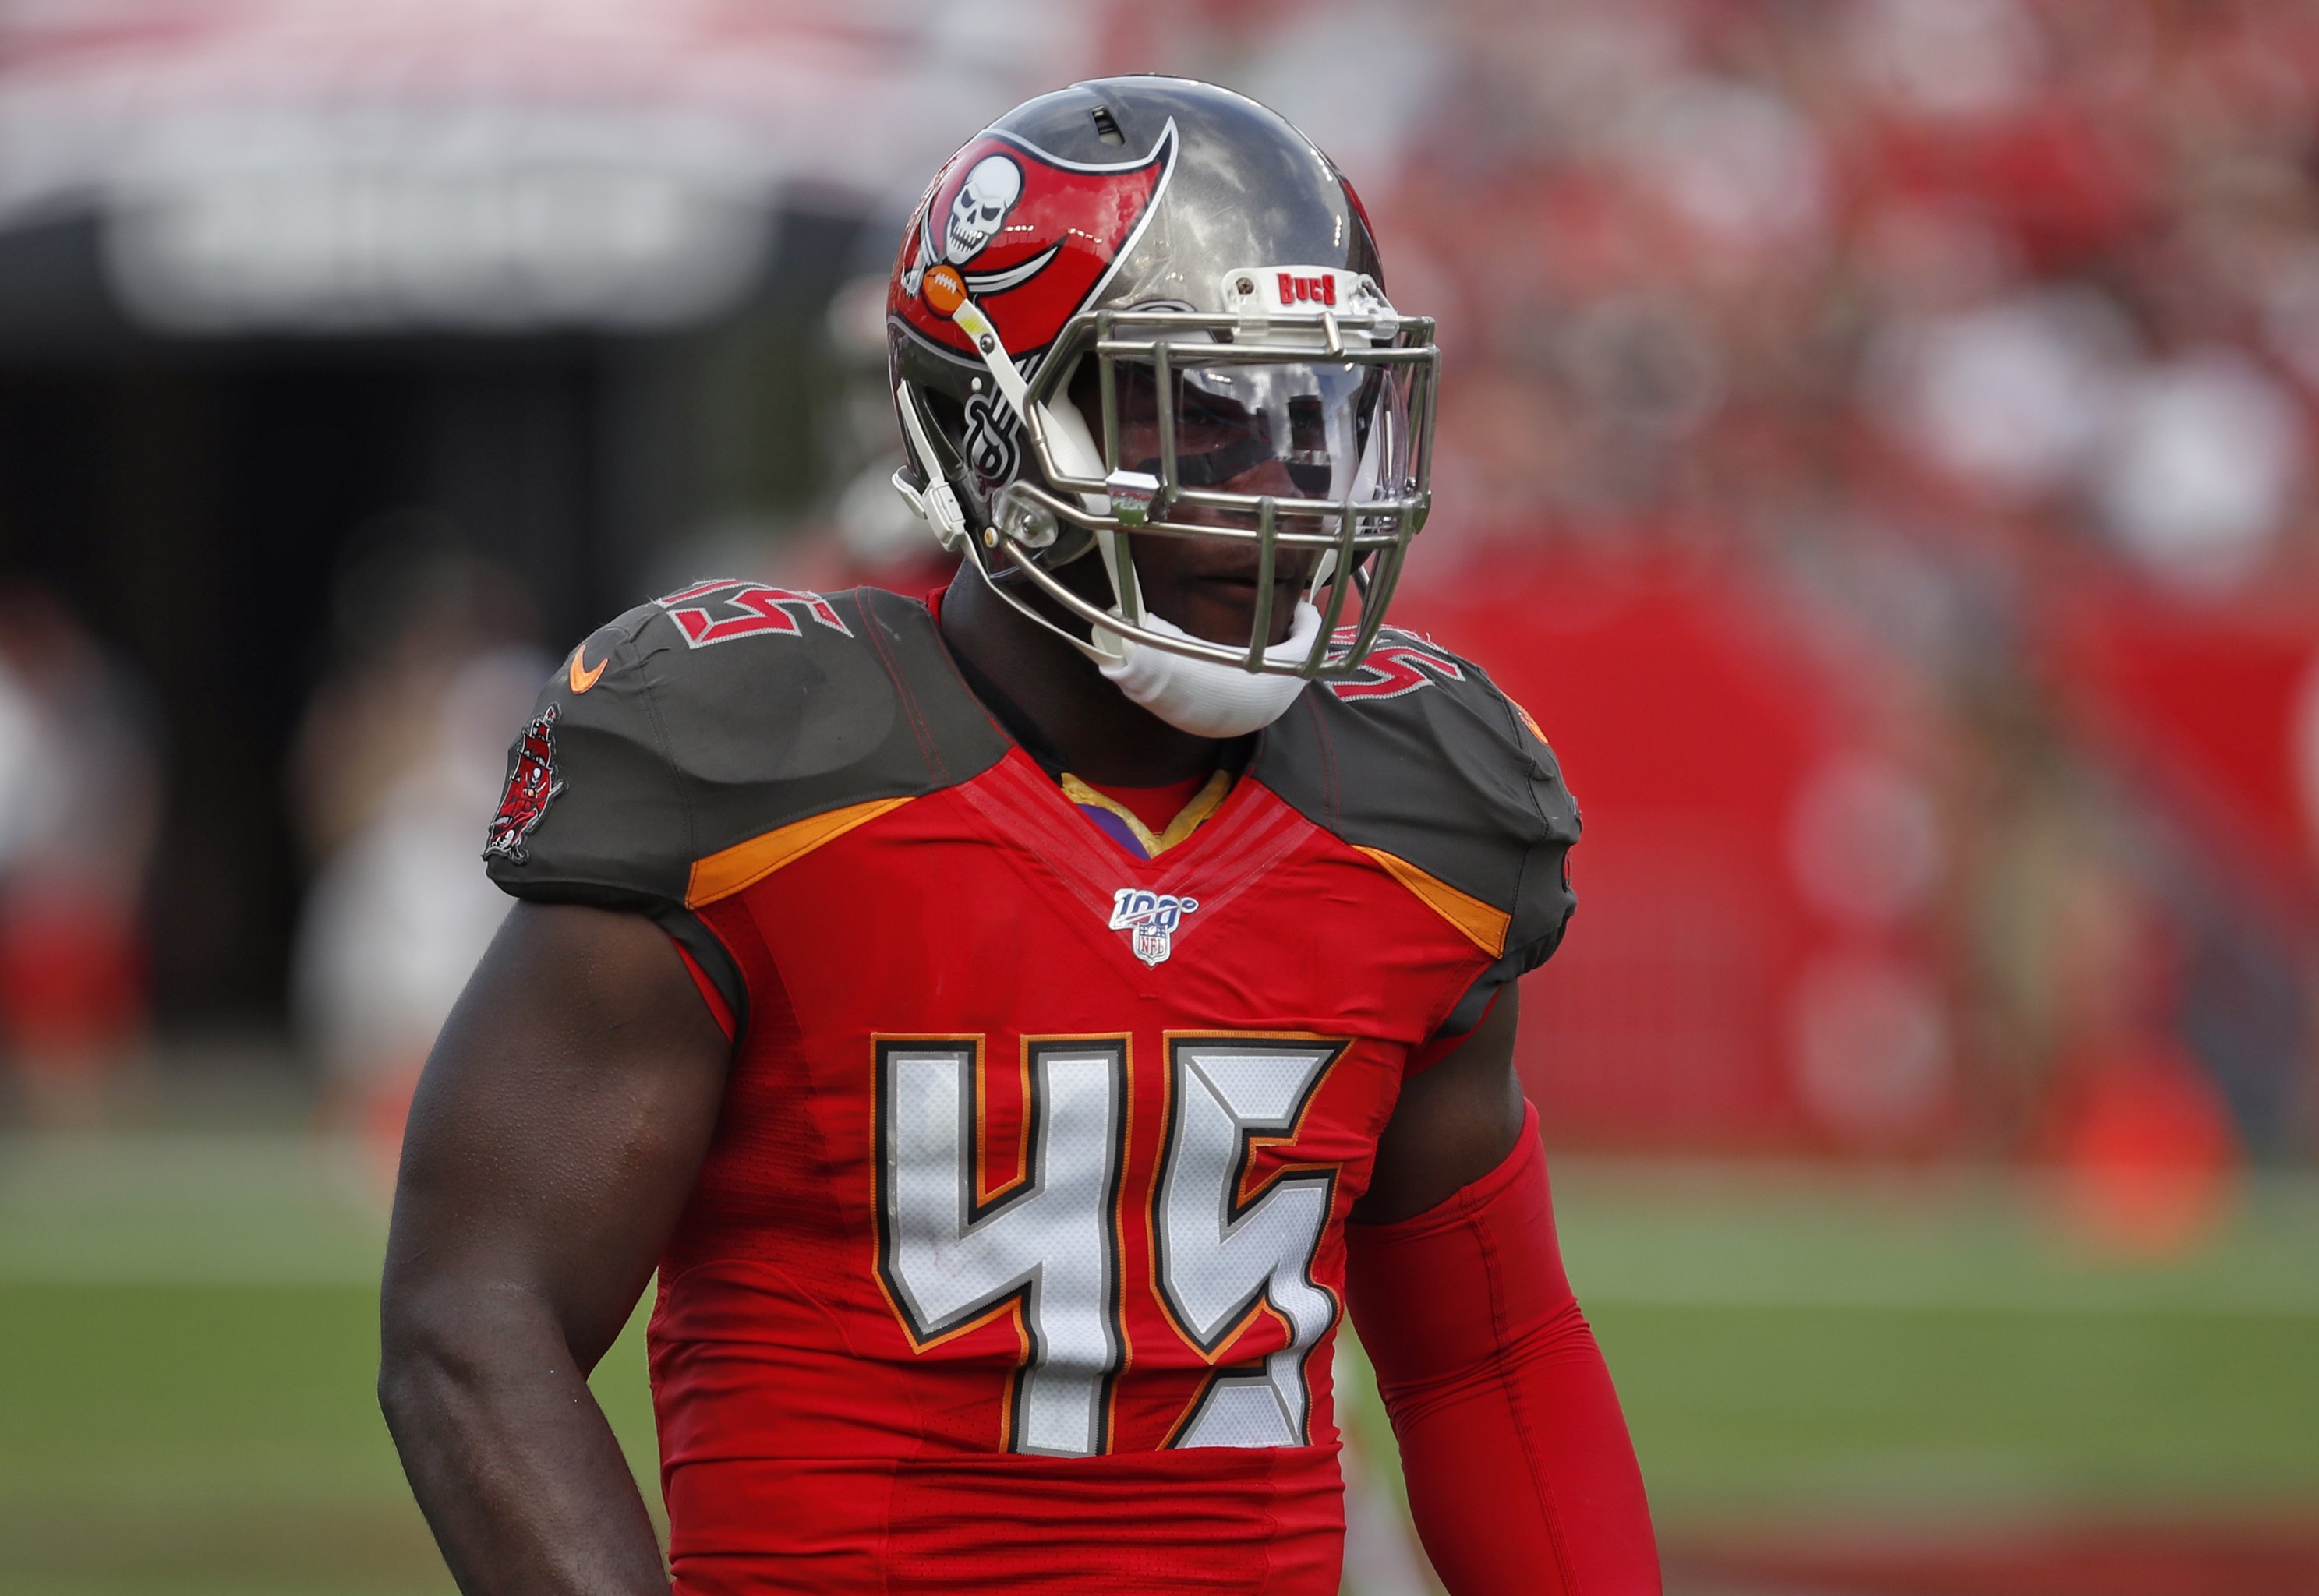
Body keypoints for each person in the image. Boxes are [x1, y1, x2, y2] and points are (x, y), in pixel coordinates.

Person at [379, 76, 1660, 1595]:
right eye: (1207, 416)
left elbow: (1489, 1358)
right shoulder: (763, 769)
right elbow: (477, 1316)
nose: (1289, 489)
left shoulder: (1423, 798)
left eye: (1320, 416)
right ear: (994, 425)